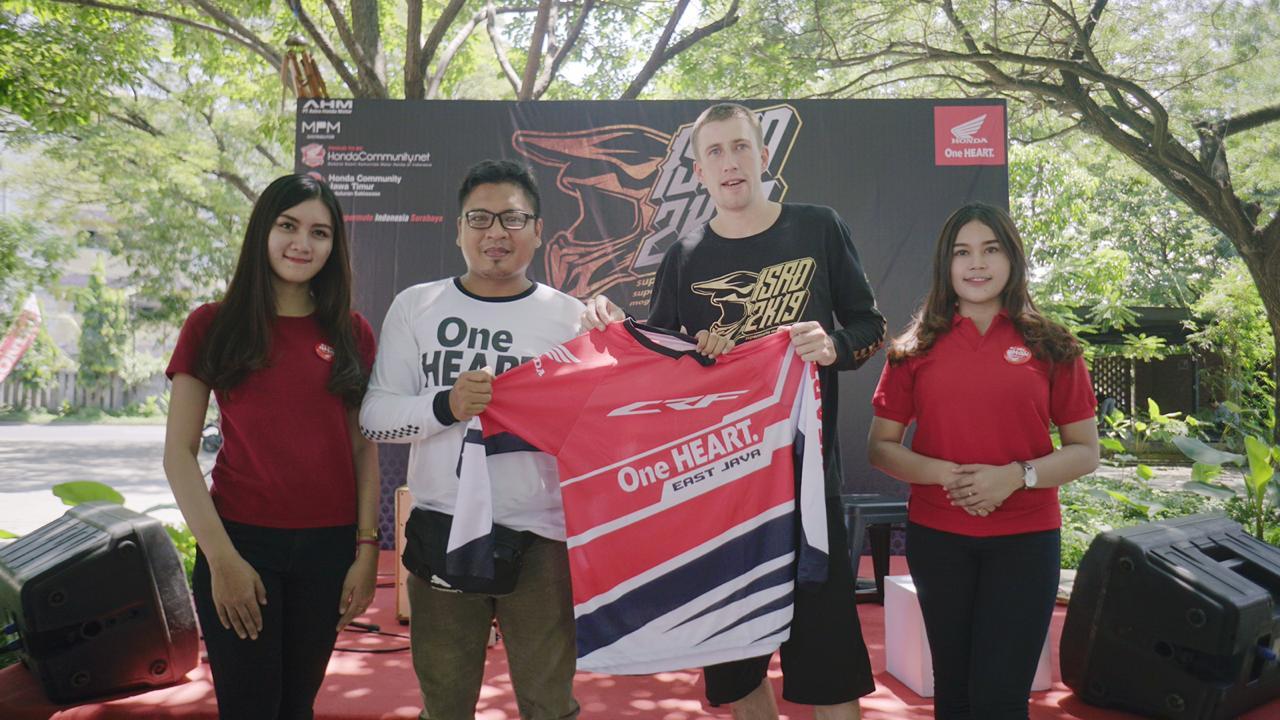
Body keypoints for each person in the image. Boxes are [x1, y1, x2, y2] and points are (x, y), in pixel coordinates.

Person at [584, 102, 882, 720]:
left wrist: (833, 345)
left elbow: (869, 325)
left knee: (829, 668)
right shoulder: (686, 253)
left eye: (741, 147)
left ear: (763, 155)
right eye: (715, 152)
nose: (730, 162)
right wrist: (631, 334)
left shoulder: (818, 227)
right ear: (698, 170)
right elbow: (659, 372)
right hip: (723, 497)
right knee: (735, 668)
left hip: (810, 489)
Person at [359, 159, 582, 720]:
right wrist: (447, 405)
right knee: (445, 705)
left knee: (550, 705)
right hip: (443, 528)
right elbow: (376, 418)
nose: (495, 233)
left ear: (538, 230)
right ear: (458, 230)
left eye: (512, 218)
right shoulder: (417, 306)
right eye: (479, 219)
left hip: (542, 538)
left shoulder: (572, 319)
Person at [867, 203, 1100, 719]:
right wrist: (947, 476)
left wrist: (1016, 477)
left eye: (991, 249)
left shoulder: (1053, 344)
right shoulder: (912, 349)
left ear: (1012, 258)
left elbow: (1086, 451)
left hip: (1026, 542)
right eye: (962, 252)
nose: (977, 263)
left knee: (1001, 699)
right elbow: (880, 447)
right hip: (938, 540)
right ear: (945, 265)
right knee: (953, 694)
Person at [163, 174, 380, 719]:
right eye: (288, 226)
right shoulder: (212, 325)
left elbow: (363, 450)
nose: (302, 243)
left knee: (296, 707)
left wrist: (367, 550)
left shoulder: (352, 332)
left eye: (319, 232)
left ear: (333, 246)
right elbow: (178, 454)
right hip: (241, 545)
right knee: (250, 708)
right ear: (263, 230)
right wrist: (222, 561)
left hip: (328, 551)